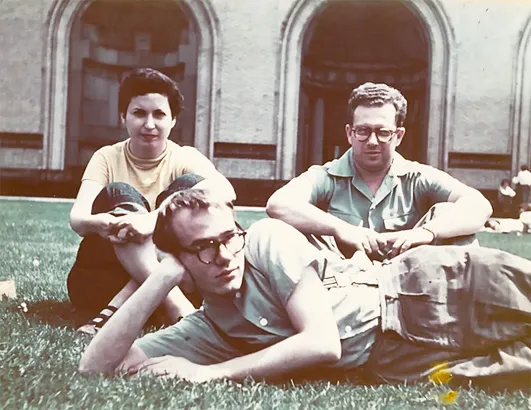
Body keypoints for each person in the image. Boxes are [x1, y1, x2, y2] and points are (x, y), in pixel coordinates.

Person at [78, 183, 531, 386]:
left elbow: (322, 343)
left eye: (228, 237)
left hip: (430, 287)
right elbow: (94, 368)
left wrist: (209, 374)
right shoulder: (208, 330)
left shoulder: (264, 240)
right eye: (202, 248)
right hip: (402, 359)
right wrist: (160, 278)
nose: (223, 256)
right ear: (179, 257)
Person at [67, 68, 235, 334]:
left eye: (159, 114)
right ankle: (176, 308)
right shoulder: (106, 157)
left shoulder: (184, 157)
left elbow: (226, 190)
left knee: (188, 188)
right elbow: (78, 219)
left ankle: (118, 309)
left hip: (181, 280)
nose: (149, 124)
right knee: (119, 193)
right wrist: (104, 224)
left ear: (173, 120)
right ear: (123, 117)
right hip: (106, 277)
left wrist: (149, 222)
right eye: (138, 113)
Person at [266, 82, 492, 261]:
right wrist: (340, 229)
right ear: (349, 134)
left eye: (383, 132)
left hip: (409, 281)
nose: (372, 141)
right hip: (340, 281)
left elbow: (479, 205)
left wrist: (425, 233)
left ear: (399, 136)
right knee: (273, 231)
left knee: (454, 224)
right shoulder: (326, 176)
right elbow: (278, 204)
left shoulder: (418, 177)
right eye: (363, 131)